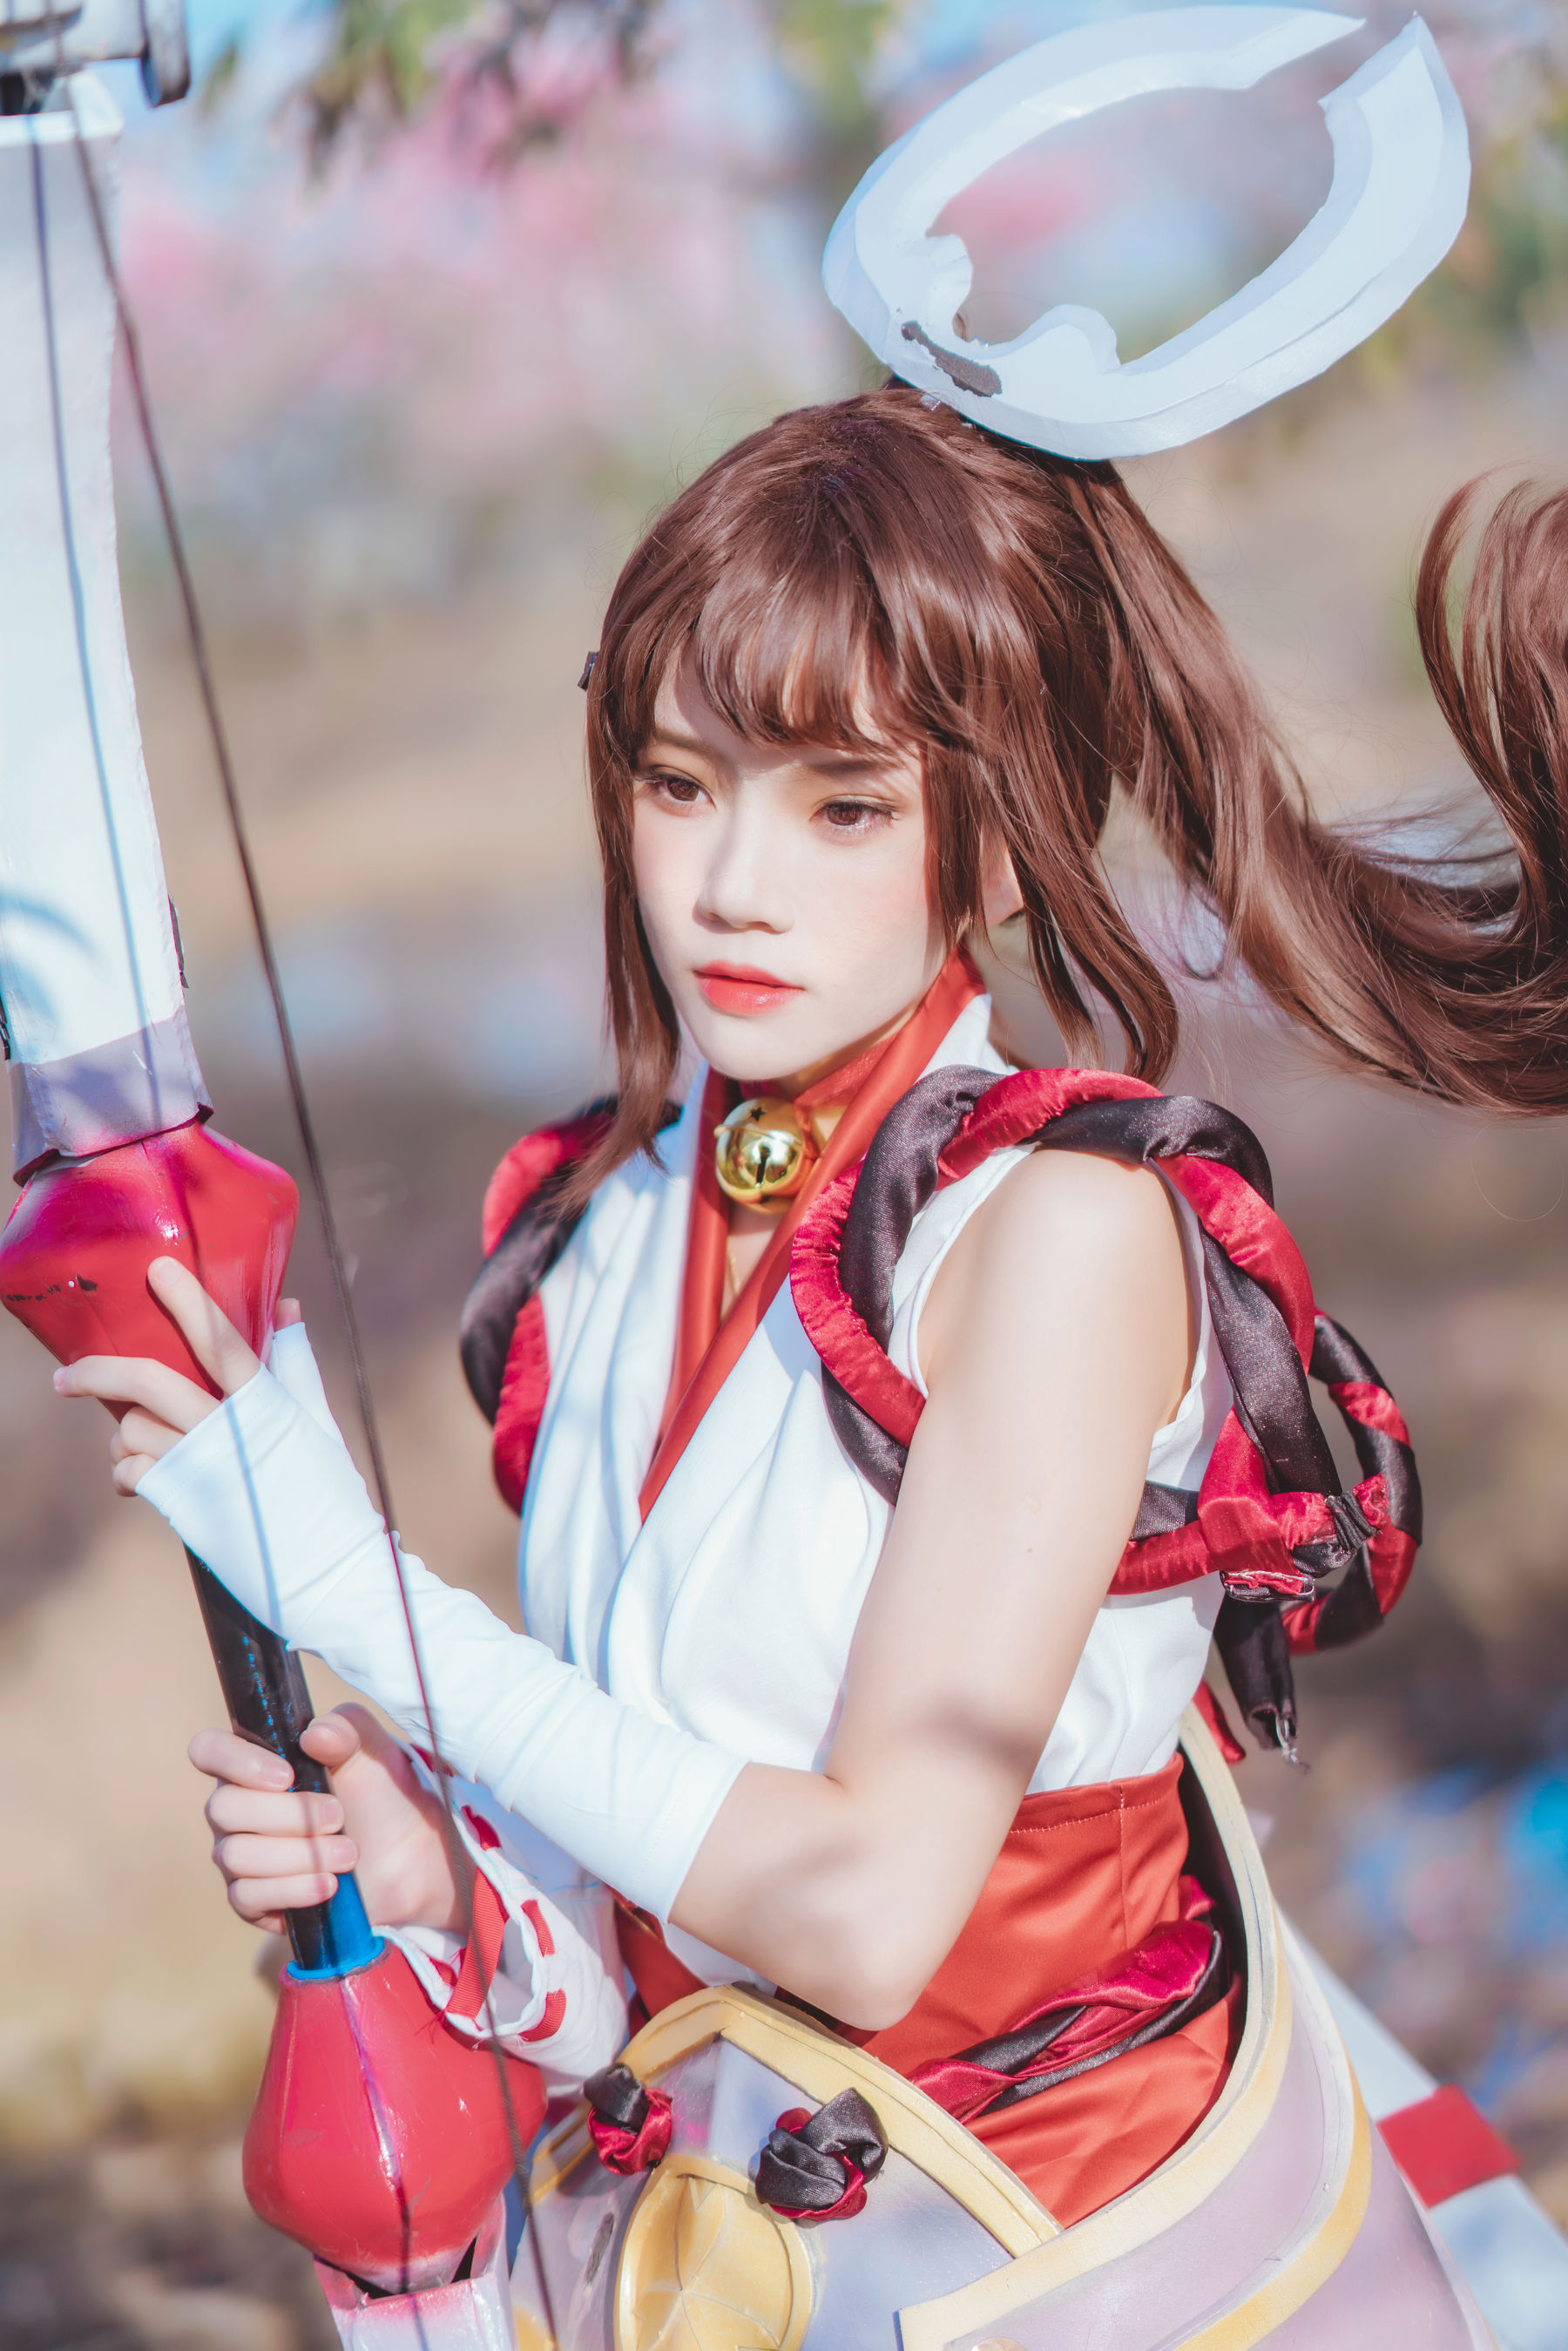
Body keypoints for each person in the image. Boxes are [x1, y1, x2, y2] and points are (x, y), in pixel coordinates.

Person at [54, 390, 1568, 2232]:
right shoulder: (610, 1228)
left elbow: (862, 1915)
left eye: (846, 803)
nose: (730, 887)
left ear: (997, 843)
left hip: (1083, 2261)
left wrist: (350, 1586)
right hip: (737, 2263)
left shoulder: (1063, 1232)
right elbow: (674, 1962)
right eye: (677, 783)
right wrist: (457, 1881)